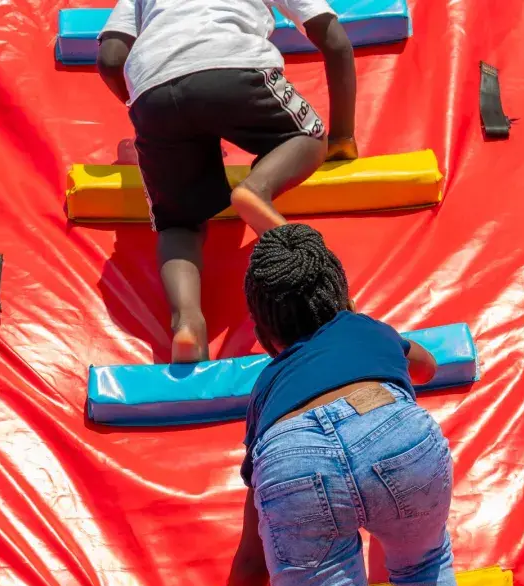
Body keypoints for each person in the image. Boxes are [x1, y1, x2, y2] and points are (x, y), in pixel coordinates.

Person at [182, 224, 460, 586]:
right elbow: (426, 368)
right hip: (393, 429)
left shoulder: (267, 388)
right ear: (340, 293)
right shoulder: (366, 329)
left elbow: (251, 560)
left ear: (263, 334)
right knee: (426, 565)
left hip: (293, 456)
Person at [97, 0, 359, 363]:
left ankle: (187, 322)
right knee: (310, 138)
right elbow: (335, 40)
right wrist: (343, 136)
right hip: (235, 66)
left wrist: (149, 104)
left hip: (153, 86)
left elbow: (110, 57)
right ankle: (257, 189)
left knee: (178, 222)